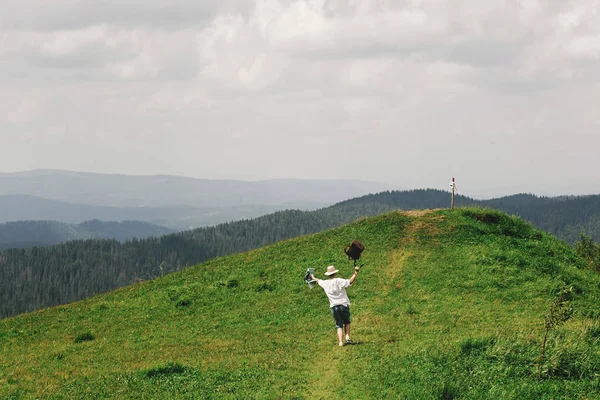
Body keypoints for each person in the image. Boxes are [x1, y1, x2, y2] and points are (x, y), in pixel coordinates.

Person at [311, 265, 360, 347]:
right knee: (347, 322)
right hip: (343, 305)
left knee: (339, 325)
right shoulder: (339, 281)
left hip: (334, 307)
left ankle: (340, 342)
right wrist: (355, 272)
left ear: (328, 274)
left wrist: (312, 276)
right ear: (335, 273)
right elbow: (350, 282)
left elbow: (318, 281)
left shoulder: (325, 283)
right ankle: (347, 338)